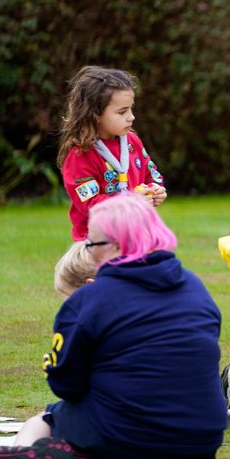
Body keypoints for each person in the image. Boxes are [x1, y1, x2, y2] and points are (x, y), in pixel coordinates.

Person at [0, 195, 226, 459]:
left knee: (46, 417)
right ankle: (78, 452)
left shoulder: (89, 300)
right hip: (202, 438)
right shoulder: (195, 287)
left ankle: (28, 451)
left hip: (127, 435)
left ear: (117, 245)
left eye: (91, 244)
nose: (88, 251)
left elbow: (65, 383)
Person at [54, 66, 167, 296]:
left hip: (137, 238)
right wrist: (131, 201)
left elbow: (150, 174)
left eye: (131, 109)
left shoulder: (132, 141)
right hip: (100, 247)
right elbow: (90, 205)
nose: (131, 117)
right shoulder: (80, 155)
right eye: (122, 111)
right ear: (95, 113)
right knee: (106, 301)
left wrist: (156, 189)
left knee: (139, 297)